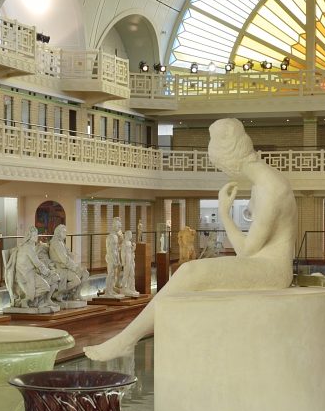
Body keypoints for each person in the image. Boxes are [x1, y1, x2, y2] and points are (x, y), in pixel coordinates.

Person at [86, 117, 298, 361]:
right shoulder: (262, 183)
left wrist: (224, 213)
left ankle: (126, 340)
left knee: (190, 272)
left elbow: (247, 251)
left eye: (220, 166)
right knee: (193, 275)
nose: (223, 172)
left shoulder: (270, 187)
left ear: (229, 160)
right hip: (260, 265)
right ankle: (128, 339)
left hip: (272, 271)